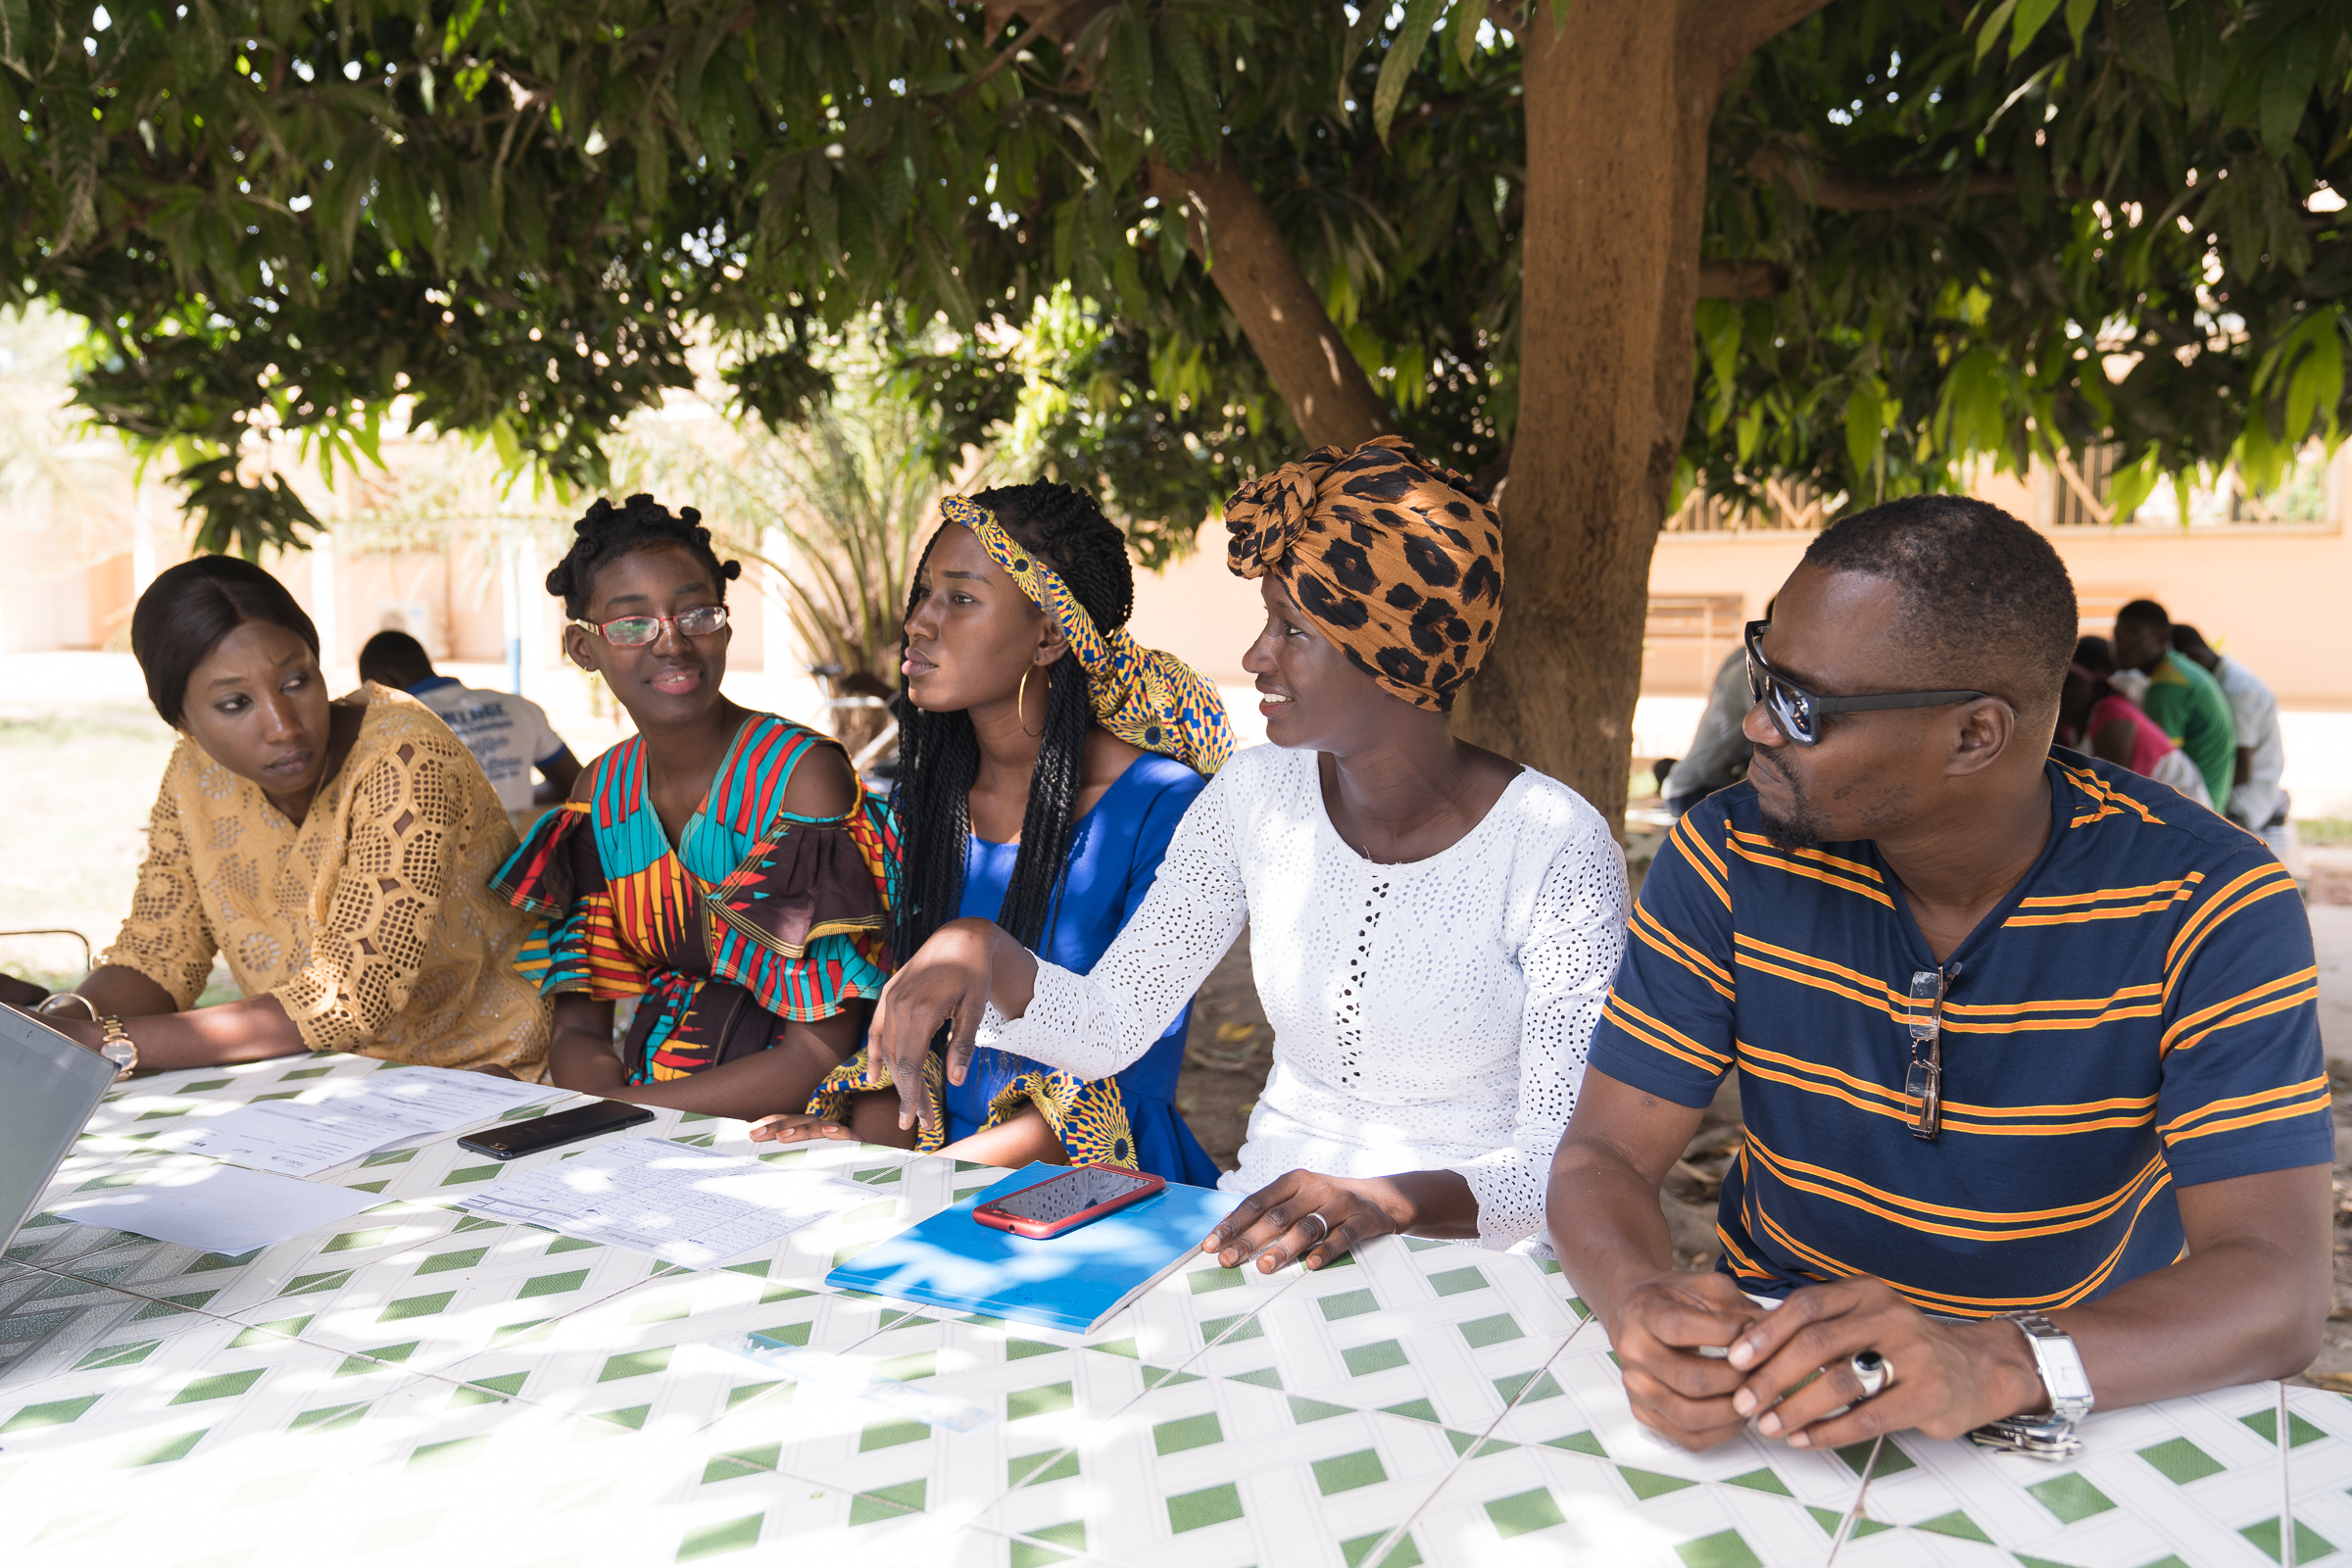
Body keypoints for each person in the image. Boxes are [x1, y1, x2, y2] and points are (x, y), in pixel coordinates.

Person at [1550, 496, 2327, 1458]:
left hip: (2080, 1383)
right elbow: (1604, 1157)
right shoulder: (1730, 856)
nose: (1756, 723)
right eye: (1762, 670)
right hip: (1773, 1374)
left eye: (1803, 702)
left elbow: (2277, 1292)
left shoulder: (2208, 903)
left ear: (1973, 736)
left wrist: (1994, 1363)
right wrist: (1638, 1300)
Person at [866, 436, 1630, 1267]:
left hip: (1478, 1254)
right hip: (1259, 1226)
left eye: (1292, 630)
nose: (1255, 656)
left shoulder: (1555, 845)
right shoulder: (1255, 795)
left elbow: (1560, 1168)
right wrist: (983, 950)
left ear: (1394, 657)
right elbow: (1113, 1025)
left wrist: (1384, 1202)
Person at [752, 486, 1233, 1181]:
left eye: (960, 599)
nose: (919, 622)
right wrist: (860, 1157)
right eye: (923, 596)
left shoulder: (1164, 807)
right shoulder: (925, 805)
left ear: (1049, 635)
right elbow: (905, 1050)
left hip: (1094, 1183)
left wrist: (921, 1189)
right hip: (936, 1168)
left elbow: (1122, 1084)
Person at [18, 557, 549, 1076]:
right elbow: (160, 950)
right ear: (182, 719)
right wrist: (48, 1030)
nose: (282, 726)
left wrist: (103, 1042)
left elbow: (351, 995)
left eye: (295, 681)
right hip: (327, 1086)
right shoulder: (196, 772)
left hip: (490, 1075)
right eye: (234, 704)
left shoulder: (405, 757)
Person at [492, 495, 896, 1118]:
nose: (671, 642)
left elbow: (816, 1053)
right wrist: (613, 1105)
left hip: (800, 1123)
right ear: (582, 647)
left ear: (727, 624)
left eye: (696, 614)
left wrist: (628, 1113)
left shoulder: (799, 780)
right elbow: (578, 1028)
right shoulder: (599, 797)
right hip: (640, 1109)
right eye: (632, 624)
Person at [357, 629, 582, 816]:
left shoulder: (391, 726)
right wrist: (513, 799)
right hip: (521, 861)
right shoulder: (520, 708)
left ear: (383, 682)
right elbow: (576, 784)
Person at [2110, 599, 2235, 808]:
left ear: (2162, 638)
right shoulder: (2177, 670)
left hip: (2200, 809)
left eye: (2133, 635)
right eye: (2117, 635)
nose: (2121, 644)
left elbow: (2159, 765)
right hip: (2208, 797)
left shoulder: (2169, 686)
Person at [2169, 624, 2288, 835]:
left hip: (2243, 802)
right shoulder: (2220, 679)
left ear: (2193, 656)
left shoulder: (2238, 689)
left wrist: (2191, 792)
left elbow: (2242, 770)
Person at [2055, 662, 2214, 809]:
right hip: (2150, 809)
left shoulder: (2112, 720)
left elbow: (2106, 797)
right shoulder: (2073, 727)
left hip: (2183, 808)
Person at [1660, 645, 1753, 816]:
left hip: (1692, 786)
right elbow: (1773, 726)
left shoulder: (1735, 678)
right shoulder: (1746, 676)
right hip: (1694, 788)